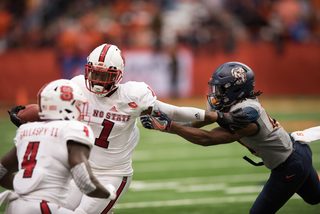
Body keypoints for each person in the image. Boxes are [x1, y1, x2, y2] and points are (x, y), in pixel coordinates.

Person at [8, 44, 249, 214]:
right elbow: (50, 106)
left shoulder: (133, 95)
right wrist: (25, 113)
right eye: (94, 73)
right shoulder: (77, 86)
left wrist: (214, 115)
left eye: (105, 75)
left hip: (113, 172)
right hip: (80, 167)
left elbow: (171, 111)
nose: (97, 80)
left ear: (119, 75)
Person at [141, 61, 320, 214]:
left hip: (290, 164)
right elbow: (195, 123)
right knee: (315, 197)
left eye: (220, 89)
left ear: (237, 90)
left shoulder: (249, 112)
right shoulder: (230, 104)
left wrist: (170, 125)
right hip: (295, 149)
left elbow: (208, 138)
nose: (215, 93)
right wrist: (164, 126)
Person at [1, 79, 116, 214]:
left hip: (15, 206)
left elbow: (1, 172)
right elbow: (84, 182)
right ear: (69, 106)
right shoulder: (73, 129)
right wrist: (108, 193)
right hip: (43, 207)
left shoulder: (26, 130)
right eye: (78, 105)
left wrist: (26, 185)